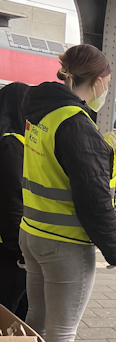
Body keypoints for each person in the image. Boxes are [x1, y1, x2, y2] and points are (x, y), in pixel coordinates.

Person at [20, 45, 116, 342]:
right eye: (107, 83)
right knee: (62, 331)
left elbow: (59, 165)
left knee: (39, 321)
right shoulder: (74, 123)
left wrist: (100, 144)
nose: (107, 89)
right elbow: (93, 194)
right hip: (65, 245)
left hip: (33, 233)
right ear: (96, 81)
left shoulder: (42, 110)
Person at [0, 82, 29, 320]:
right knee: (12, 314)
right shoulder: (12, 144)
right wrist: (21, 251)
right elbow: (13, 202)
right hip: (9, 251)